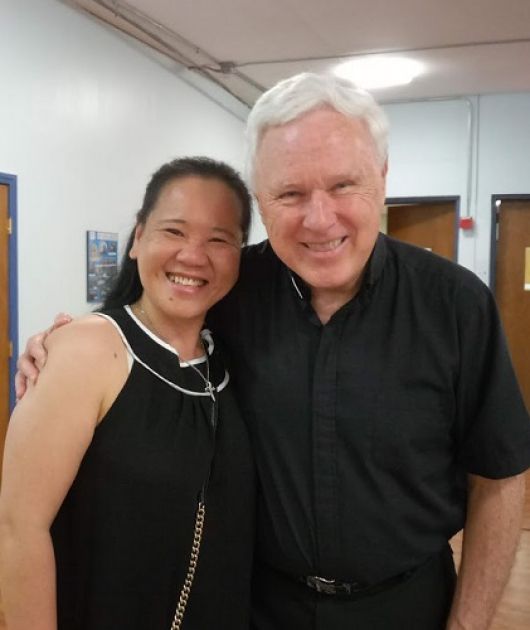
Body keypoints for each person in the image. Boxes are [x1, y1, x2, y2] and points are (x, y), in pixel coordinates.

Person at [14, 73, 530, 630]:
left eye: (343, 185)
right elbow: (151, 324)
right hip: (259, 607)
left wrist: (468, 625)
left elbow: (499, 478)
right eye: (290, 193)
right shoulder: (233, 293)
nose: (319, 219)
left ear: (382, 179)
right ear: (262, 200)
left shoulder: (454, 305)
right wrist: (61, 343)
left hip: (407, 606)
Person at [0, 156, 255, 629]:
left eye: (219, 239)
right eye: (174, 231)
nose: (193, 256)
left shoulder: (232, 357)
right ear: (138, 238)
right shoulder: (88, 349)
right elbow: (18, 531)